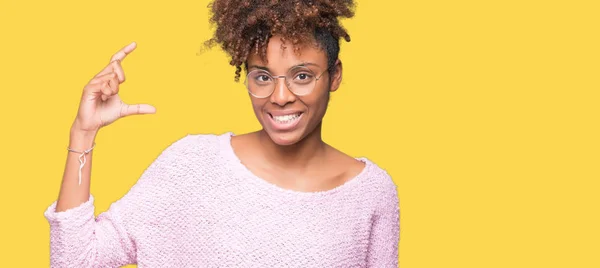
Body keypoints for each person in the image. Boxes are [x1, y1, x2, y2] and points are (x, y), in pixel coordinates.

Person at [44, 0, 400, 267]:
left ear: (334, 75)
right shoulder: (191, 165)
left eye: (302, 76)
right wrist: (83, 133)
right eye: (263, 76)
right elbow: (75, 260)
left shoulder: (371, 193)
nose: (280, 96)